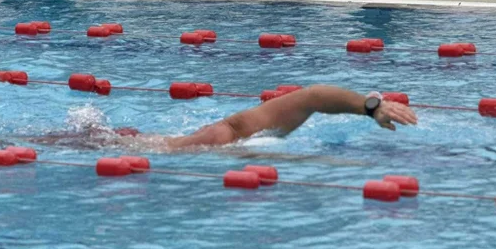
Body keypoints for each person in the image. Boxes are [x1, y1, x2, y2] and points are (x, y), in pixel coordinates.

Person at [34, 85, 418, 152]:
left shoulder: (242, 134)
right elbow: (313, 98)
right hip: (143, 148)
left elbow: (313, 97)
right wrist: (369, 107)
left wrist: (370, 107)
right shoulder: (225, 137)